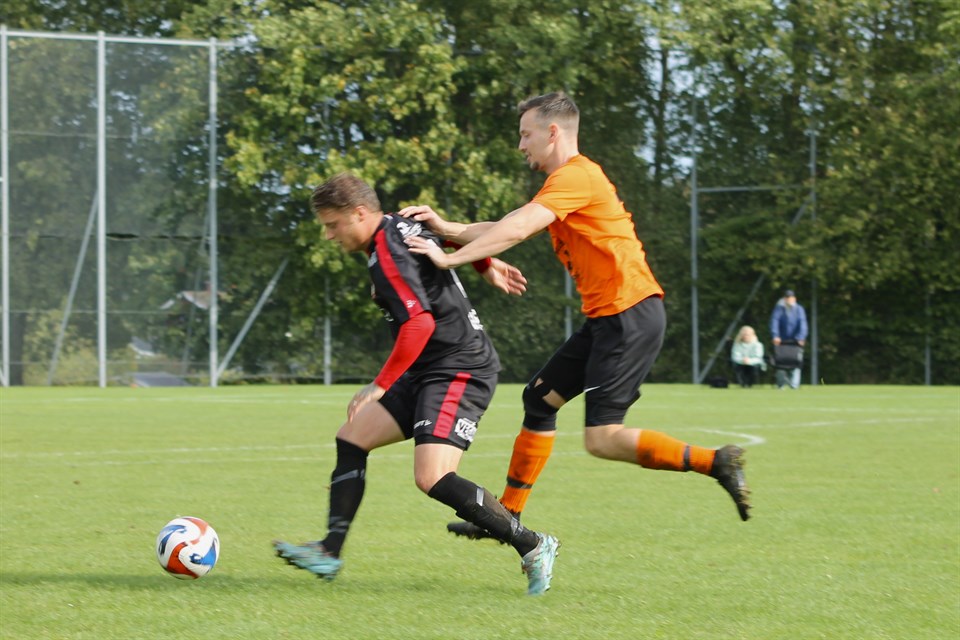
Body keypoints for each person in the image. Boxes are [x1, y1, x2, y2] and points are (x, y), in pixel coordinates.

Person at [401, 91, 751, 540]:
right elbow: (509, 224)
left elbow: (518, 228)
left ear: (552, 132)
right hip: (611, 318)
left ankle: (716, 461)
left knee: (602, 438)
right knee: (539, 398)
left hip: (629, 315)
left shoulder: (577, 176)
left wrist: (449, 258)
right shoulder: (564, 184)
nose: (521, 145)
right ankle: (508, 516)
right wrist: (446, 228)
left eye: (525, 135)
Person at [273, 173, 560, 596]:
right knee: (352, 437)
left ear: (359, 213)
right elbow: (441, 237)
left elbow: (419, 323)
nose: (329, 235)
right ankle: (329, 552)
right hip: (429, 368)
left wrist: (379, 385)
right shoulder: (401, 222)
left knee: (433, 477)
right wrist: (484, 265)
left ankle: (533, 545)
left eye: (333, 224)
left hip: (460, 367)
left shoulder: (386, 253)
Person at [769, 289, 808, 389]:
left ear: (794, 298)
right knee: (781, 363)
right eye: (787, 298)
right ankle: (781, 384)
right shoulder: (779, 309)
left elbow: (803, 324)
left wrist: (801, 337)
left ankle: (794, 385)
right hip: (781, 342)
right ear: (784, 299)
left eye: (790, 297)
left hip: (795, 342)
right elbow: (774, 322)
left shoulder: (799, 309)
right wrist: (775, 336)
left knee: (796, 362)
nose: (789, 299)